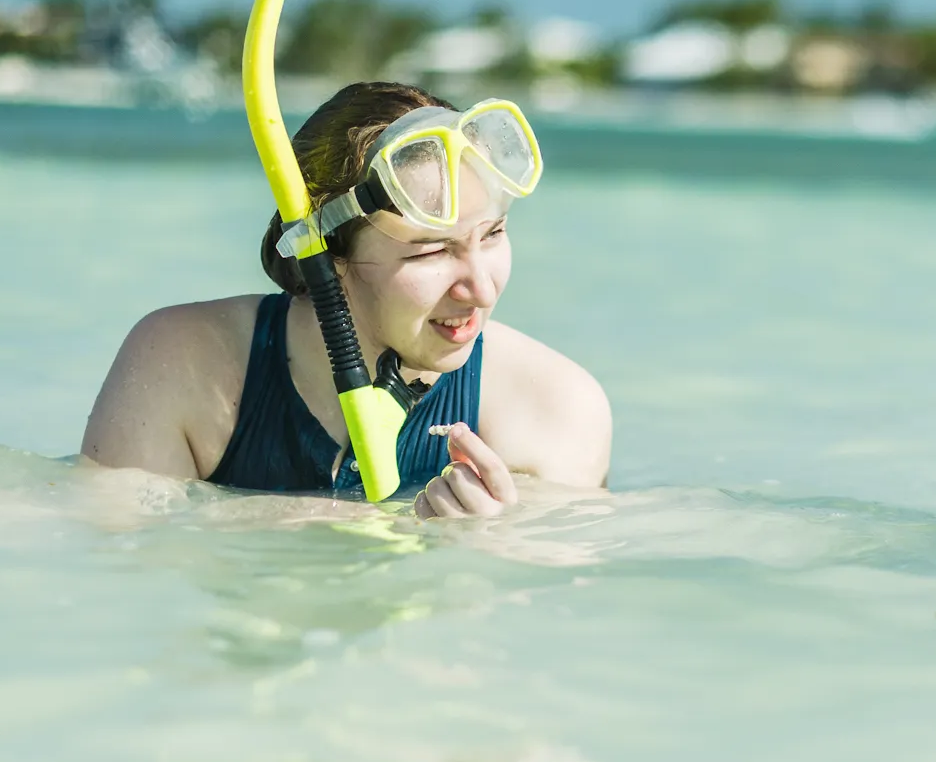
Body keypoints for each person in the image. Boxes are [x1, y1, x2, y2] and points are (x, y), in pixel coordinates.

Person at [81, 81, 610, 519]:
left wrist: (479, 555)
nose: (482, 288)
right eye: (430, 252)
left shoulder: (555, 408)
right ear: (326, 252)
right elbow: (115, 570)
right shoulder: (184, 367)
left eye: (492, 234)